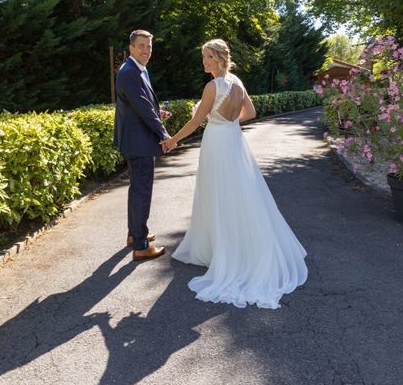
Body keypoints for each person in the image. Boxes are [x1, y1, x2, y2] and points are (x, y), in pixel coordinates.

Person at [161, 39, 308, 308]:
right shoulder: (237, 82)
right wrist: (227, 123)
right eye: (203, 56)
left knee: (217, 194)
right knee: (239, 193)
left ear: (219, 58)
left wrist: (173, 140)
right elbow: (250, 113)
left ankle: (224, 254)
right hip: (233, 140)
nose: (203, 61)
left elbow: (195, 122)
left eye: (207, 57)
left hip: (217, 142)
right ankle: (235, 248)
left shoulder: (213, 86)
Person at [114, 29, 171, 261]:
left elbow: (142, 105)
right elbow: (144, 109)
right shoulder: (129, 72)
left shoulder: (137, 69)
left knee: (137, 189)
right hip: (139, 142)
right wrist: (165, 135)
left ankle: (135, 233)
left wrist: (158, 113)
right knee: (141, 191)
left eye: (149, 46)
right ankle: (140, 245)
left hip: (137, 139)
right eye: (141, 46)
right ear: (131, 48)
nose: (146, 51)